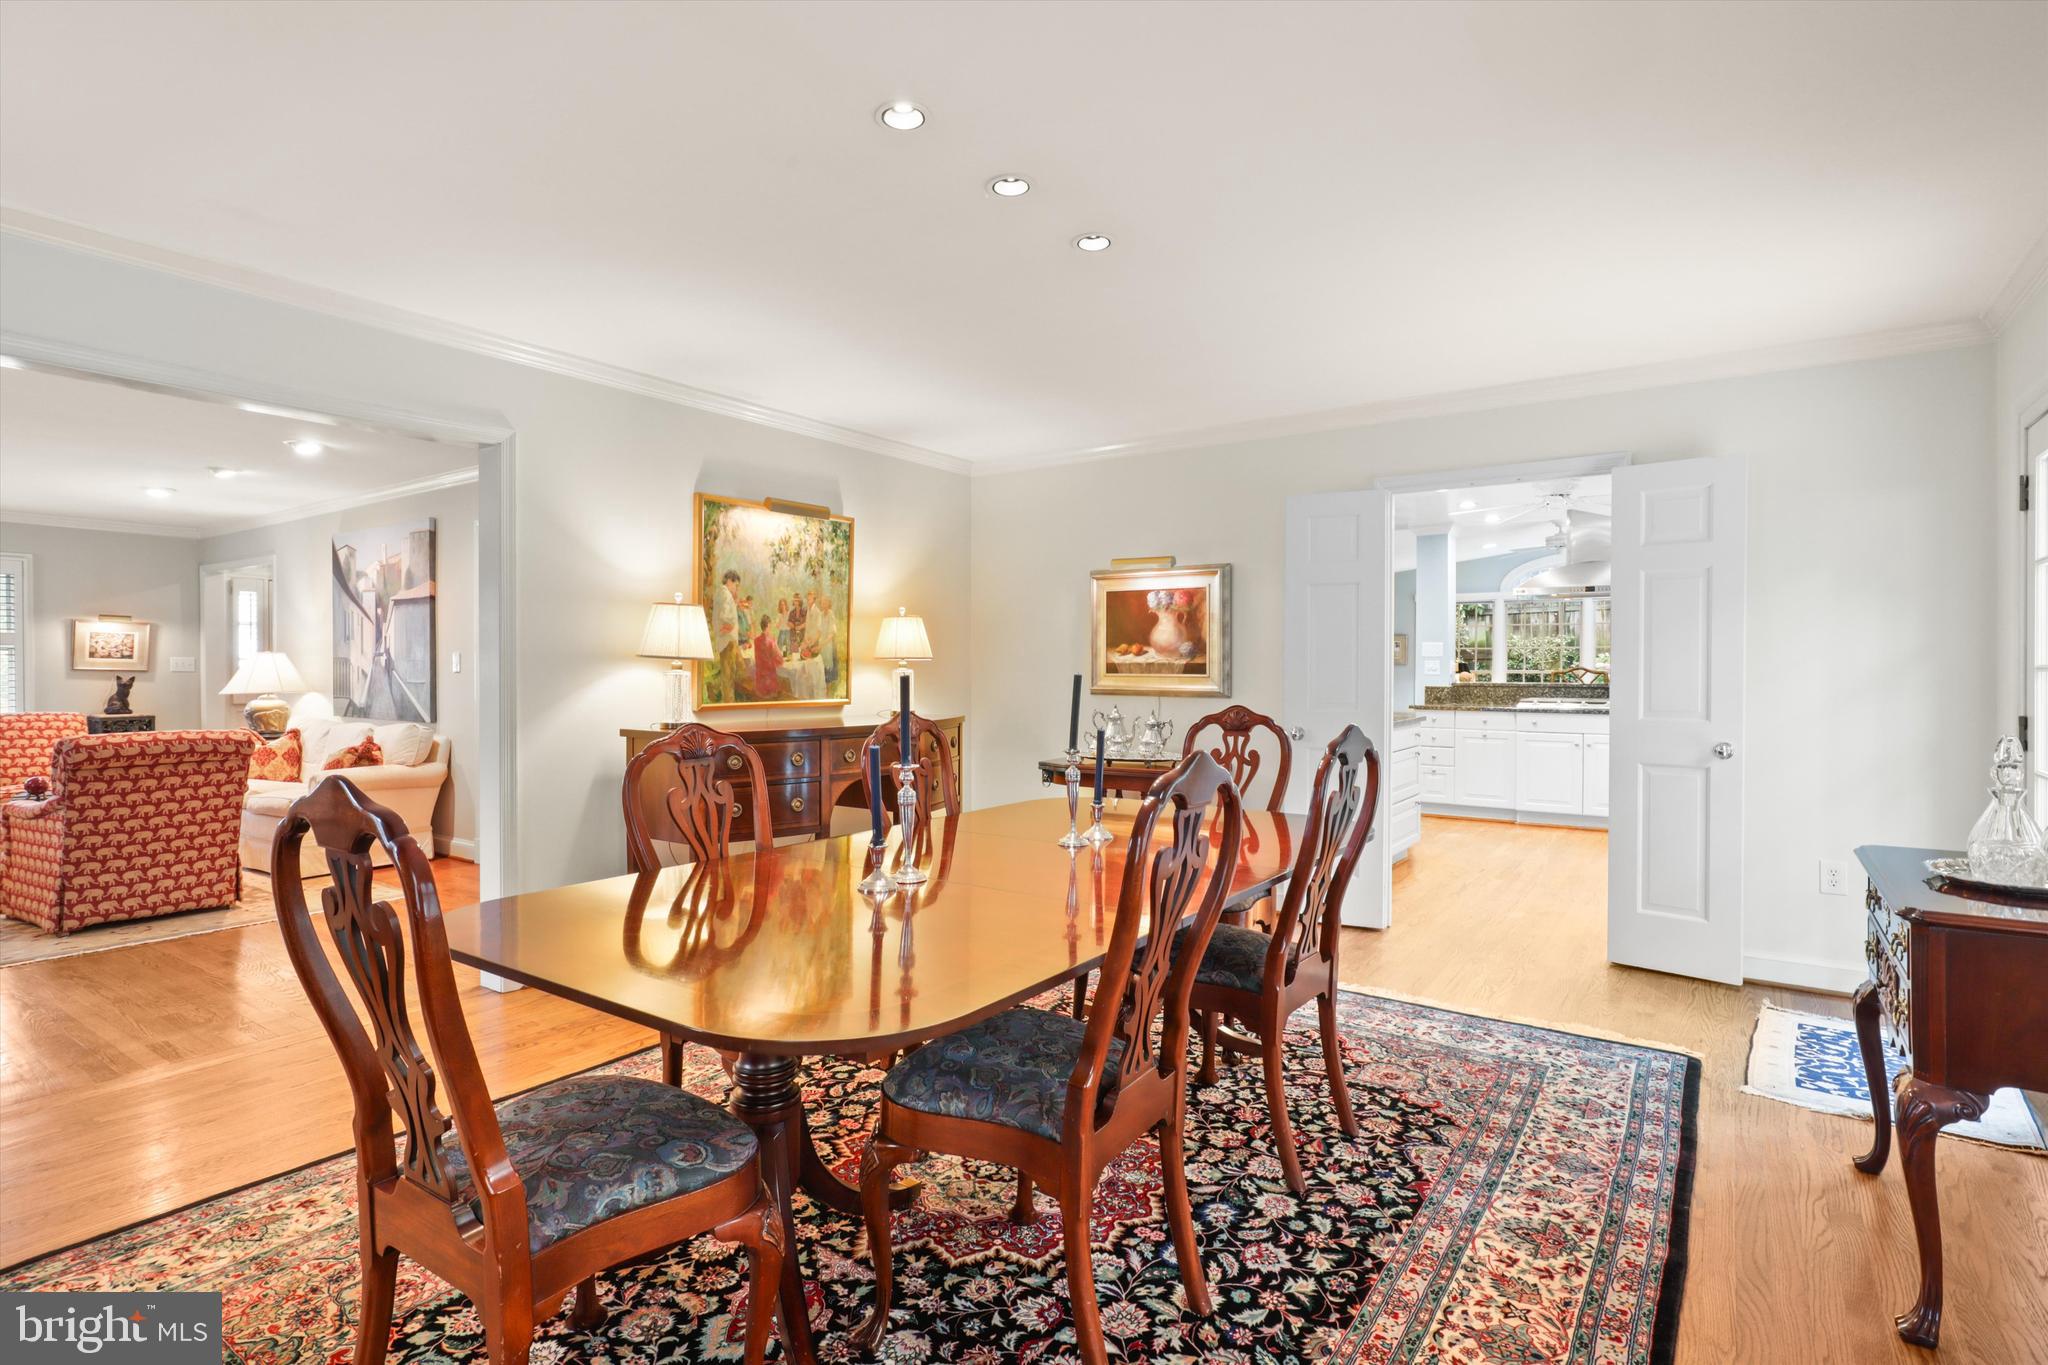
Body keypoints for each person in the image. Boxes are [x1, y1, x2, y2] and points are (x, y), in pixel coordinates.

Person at [710, 570, 743, 700]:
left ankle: (720, 693)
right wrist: (730, 625)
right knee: (729, 674)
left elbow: (724, 612)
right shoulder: (725, 594)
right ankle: (729, 702)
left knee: (728, 671)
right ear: (730, 581)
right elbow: (725, 616)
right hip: (728, 640)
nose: (736, 588)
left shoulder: (721, 593)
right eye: (736, 585)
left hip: (725, 640)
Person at [752, 617, 786, 700]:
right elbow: (780, 659)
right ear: (767, 626)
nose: (770, 629)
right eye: (770, 627)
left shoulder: (756, 640)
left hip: (759, 684)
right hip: (769, 686)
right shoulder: (771, 641)